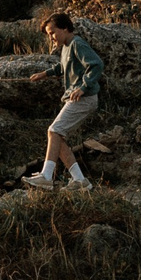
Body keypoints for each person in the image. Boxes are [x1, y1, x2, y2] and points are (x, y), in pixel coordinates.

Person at [23, 13, 104, 189]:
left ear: (65, 28)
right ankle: (80, 181)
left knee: (54, 131)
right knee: (57, 137)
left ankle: (46, 176)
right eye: (48, 34)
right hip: (78, 98)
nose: (51, 37)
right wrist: (44, 74)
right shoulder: (67, 46)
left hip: (85, 98)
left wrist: (83, 87)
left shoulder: (77, 43)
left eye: (52, 32)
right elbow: (63, 66)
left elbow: (96, 64)